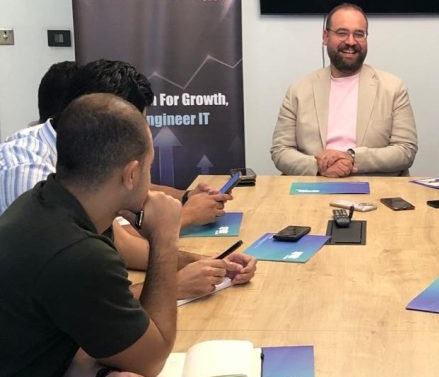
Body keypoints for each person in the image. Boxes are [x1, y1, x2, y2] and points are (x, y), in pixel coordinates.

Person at [0, 60, 256, 298]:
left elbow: (118, 243)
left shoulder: (84, 161)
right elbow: (72, 299)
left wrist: (210, 263)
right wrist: (173, 281)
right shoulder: (30, 175)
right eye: (137, 125)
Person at [0, 94, 180, 377]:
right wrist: (165, 237)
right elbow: (152, 359)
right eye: (149, 166)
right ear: (131, 174)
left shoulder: (41, 201)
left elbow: (42, 337)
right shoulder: (78, 252)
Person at [0, 59, 229, 227]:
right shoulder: (29, 172)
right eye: (137, 124)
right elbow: (105, 248)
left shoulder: (86, 150)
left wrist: (185, 197)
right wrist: (185, 216)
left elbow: (131, 188)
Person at [270, 3, 418, 176]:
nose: (351, 42)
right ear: (325, 37)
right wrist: (319, 166)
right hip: (315, 183)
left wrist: (351, 157)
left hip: (375, 185)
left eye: (359, 34)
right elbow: (280, 151)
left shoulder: (393, 88)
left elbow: (406, 150)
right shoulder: (298, 90)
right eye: (342, 33)